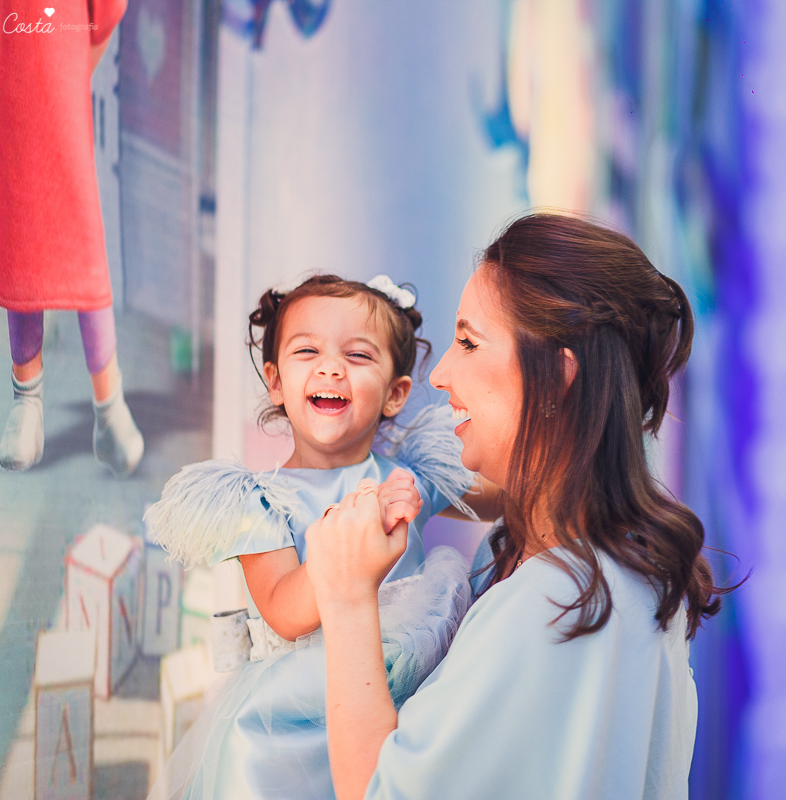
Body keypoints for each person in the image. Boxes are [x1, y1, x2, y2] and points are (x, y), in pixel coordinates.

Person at [308, 213, 733, 800]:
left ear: (556, 378)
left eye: (469, 342)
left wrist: (346, 597)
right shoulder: (628, 581)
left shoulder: (557, 601)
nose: (440, 374)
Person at [144, 273, 500, 799]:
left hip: (407, 704)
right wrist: (349, 548)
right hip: (291, 724)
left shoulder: (409, 476)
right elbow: (284, 611)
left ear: (396, 393)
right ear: (276, 382)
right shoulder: (260, 503)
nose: (331, 367)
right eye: (307, 350)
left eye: (357, 357)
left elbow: (504, 495)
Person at [0, 0, 145, 475]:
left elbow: (109, 10)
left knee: (81, 238)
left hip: (65, 68)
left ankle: (108, 404)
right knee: (19, 226)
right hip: (14, 70)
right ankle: (26, 397)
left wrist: (76, 68)